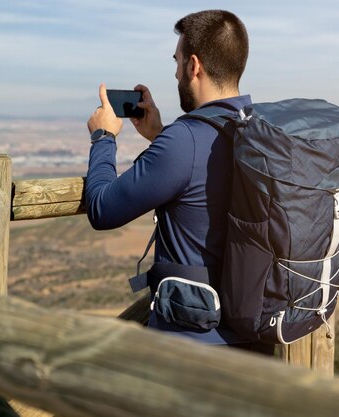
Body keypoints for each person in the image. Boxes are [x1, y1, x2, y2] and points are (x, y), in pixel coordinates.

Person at [85, 10, 273, 355]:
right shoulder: (262, 131)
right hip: (257, 339)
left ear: (194, 66)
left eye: (177, 60)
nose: (174, 71)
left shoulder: (185, 141)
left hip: (194, 349)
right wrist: (159, 135)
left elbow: (102, 209)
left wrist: (103, 136)